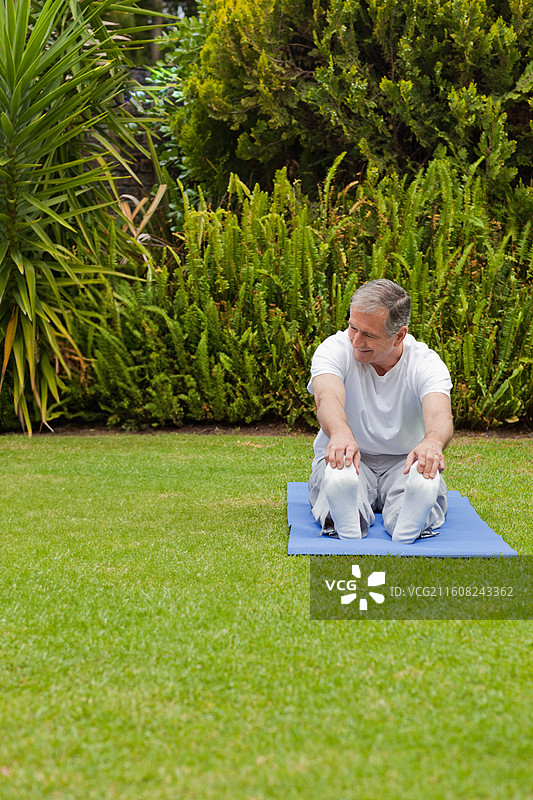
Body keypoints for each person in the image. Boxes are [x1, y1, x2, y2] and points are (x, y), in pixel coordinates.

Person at [307, 278, 453, 543]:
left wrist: (432, 442)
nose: (356, 340)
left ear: (399, 335)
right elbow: (327, 396)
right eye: (353, 327)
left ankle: (406, 524)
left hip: (404, 462)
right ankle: (348, 517)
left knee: (418, 487)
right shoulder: (333, 349)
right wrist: (340, 433)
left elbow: (440, 414)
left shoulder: (425, 362)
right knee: (336, 480)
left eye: (369, 335)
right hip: (349, 457)